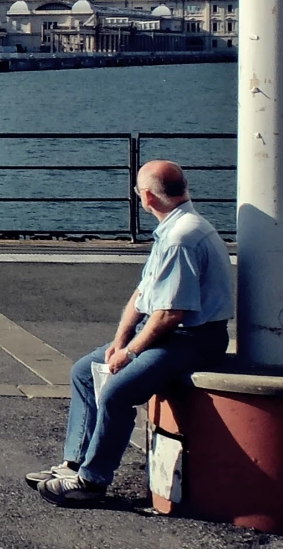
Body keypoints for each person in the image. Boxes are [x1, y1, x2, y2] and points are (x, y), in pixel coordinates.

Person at [31, 159, 233, 507]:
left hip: (194, 339)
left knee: (116, 392)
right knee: (83, 371)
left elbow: (171, 313)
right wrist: (120, 341)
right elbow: (142, 296)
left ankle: (92, 481)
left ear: (148, 198)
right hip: (167, 333)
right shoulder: (173, 228)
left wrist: (131, 352)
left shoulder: (181, 239)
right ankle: (74, 463)